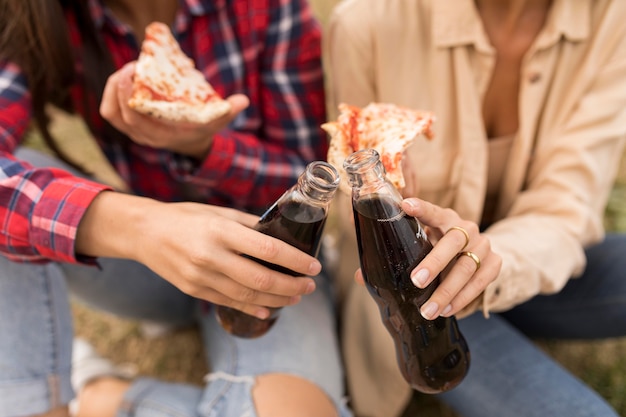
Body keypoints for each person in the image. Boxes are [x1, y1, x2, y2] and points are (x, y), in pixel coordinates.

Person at [0, 1, 353, 417]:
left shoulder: (267, 7)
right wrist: (142, 227)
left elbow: (310, 175)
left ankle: (106, 396)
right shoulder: (50, 17)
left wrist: (202, 146)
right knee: (17, 174)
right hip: (146, 263)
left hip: (271, 261)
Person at [325, 0, 626, 416]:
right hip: (422, 296)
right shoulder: (367, 23)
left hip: (520, 267)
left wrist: (488, 264)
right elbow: (358, 194)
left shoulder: (613, 19)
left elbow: (566, 205)